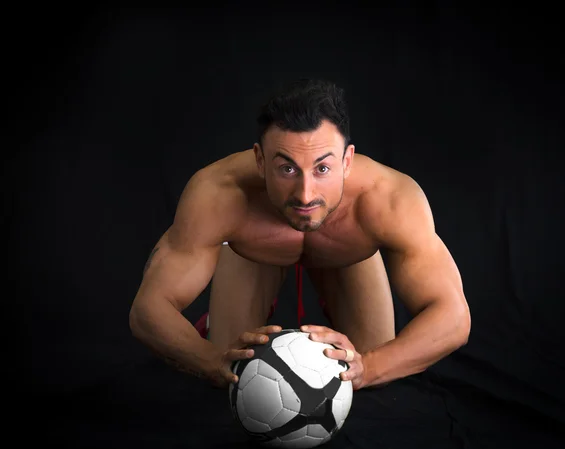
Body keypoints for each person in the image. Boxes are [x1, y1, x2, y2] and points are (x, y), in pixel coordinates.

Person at [129, 78, 471, 391]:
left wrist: (369, 366)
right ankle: (216, 329)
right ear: (260, 161)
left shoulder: (389, 199)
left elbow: (454, 318)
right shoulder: (219, 193)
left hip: (349, 256)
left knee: (371, 376)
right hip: (252, 253)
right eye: (287, 168)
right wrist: (209, 359)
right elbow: (148, 309)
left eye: (323, 168)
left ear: (347, 161)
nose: (305, 194)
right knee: (235, 376)